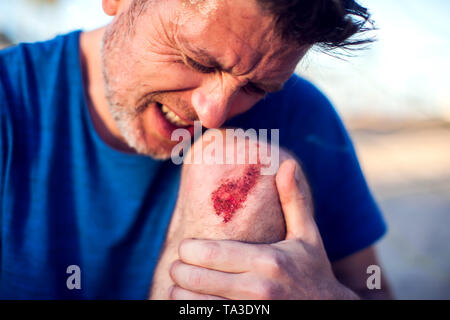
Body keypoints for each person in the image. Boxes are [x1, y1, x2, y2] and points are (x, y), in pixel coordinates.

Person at [0, 0, 391, 299]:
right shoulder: (10, 103)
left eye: (256, 88)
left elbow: (372, 288)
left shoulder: (302, 118)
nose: (214, 113)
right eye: (196, 60)